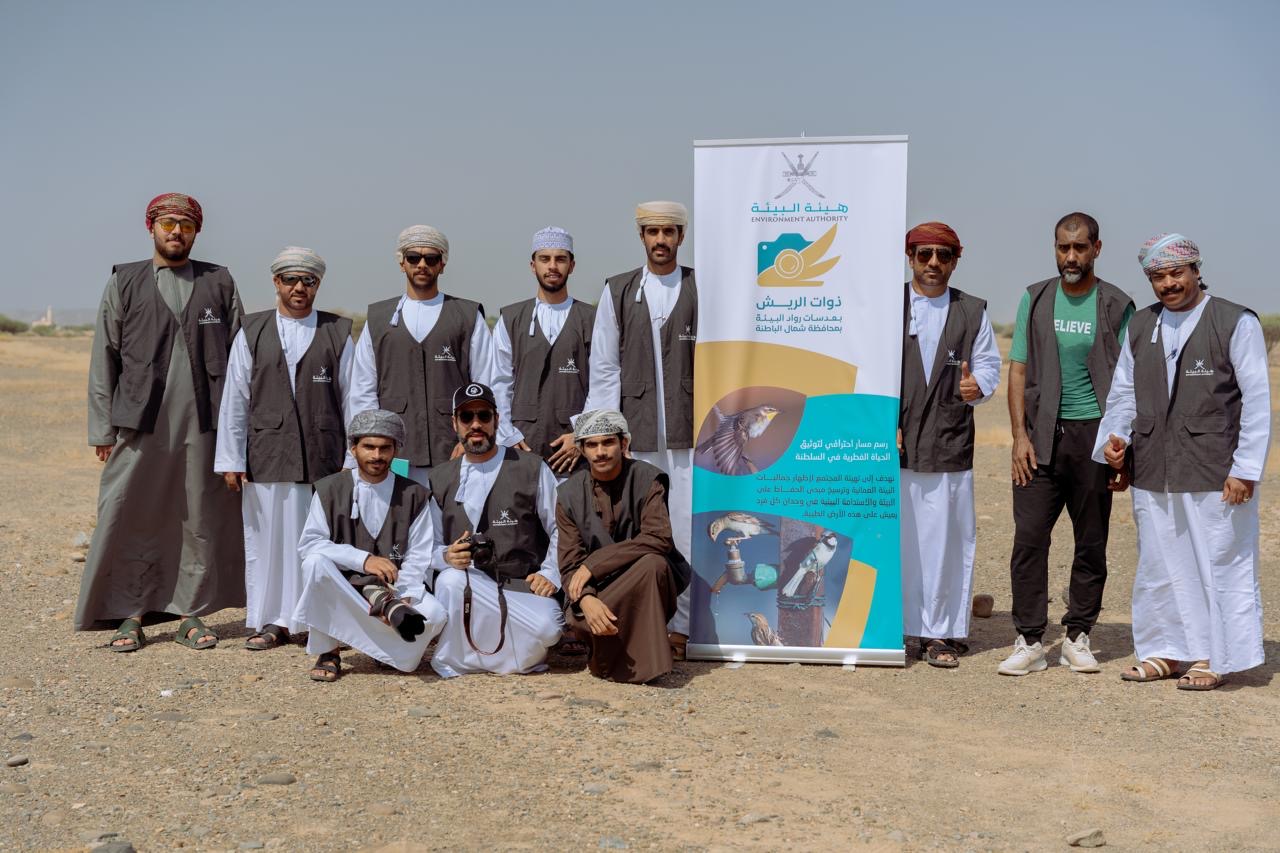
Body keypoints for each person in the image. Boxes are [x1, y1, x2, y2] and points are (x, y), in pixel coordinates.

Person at [1095, 234, 1269, 690]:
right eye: (1158, 276)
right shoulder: (1141, 325)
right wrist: (1115, 443)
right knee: (1160, 564)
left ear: (1195, 270)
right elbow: (1123, 394)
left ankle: (1214, 655)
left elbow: (1256, 399)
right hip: (1155, 467)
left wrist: (1245, 469)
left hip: (1216, 470)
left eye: (1176, 273)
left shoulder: (1234, 321)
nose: (1168, 283)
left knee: (1218, 562)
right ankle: (1165, 650)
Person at [76, 192, 244, 652]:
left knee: (198, 516)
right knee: (130, 512)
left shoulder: (219, 282)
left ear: (197, 232)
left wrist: (238, 436)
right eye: (168, 223)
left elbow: (241, 361)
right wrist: (102, 428)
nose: (176, 232)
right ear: (151, 227)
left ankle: (190, 613)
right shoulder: (124, 281)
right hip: (139, 422)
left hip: (204, 425)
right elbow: (104, 357)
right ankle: (129, 614)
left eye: (185, 225)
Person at [1000, 212, 1135, 676]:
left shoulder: (1117, 304)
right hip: (1040, 436)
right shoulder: (1035, 298)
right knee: (1029, 538)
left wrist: (1122, 444)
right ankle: (1029, 640)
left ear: (1097, 248)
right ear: (1055, 249)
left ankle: (1077, 636)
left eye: (1079, 247)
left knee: (1091, 541)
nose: (1071, 257)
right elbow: (1018, 369)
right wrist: (1019, 436)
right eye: (1063, 247)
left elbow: (1128, 380)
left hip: (1094, 438)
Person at [215, 246, 354, 650]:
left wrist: (352, 458)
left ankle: (315, 620)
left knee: (317, 540)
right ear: (276, 282)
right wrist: (231, 458)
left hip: (323, 456)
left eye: (308, 281)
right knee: (268, 543)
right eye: (290, 279)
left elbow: (354, 398)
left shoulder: (338, 332)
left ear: (317, 285)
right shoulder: (252, 330)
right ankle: (272, 621)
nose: (299, 288)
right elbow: (236, 398)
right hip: (267, 453)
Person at [581, 201, 697, 657]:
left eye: (669, 231)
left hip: (691, 434)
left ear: (681, 236)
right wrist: (605, 434)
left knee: (685, 529)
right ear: (642, 236)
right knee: (638, 534)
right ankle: (639, 623)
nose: (661, 240)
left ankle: (682, 628)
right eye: (652, 232)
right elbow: (604, 367)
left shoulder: (699, 286)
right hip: (637, 435)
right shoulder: (618, 290)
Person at [897, 223, 1002, 668]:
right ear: (910, 257)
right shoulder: (889, 305)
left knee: (945, 541)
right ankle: (899, 628)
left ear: (956, 260)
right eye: (924, 254)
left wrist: (978, 386)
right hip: (896, 444)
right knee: (900, 539)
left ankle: (939, 633)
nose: (933, 264)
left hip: (948, 439)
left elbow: (990, 365)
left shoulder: (971, 310)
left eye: (943, 255)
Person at [348, 225, 516, 486]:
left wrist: (471, 437)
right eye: (414, 257)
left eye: (431, 258)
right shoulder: (378, 319)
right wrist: (374, 445)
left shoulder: (467, 315)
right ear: (402, 263)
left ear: (442, 264)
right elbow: (362, 390)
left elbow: (487, 385)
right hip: (396, 454)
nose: (422, 264)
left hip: (454, 451)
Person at [294, 409, 446, 681]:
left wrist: (401, 599)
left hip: (392, 589)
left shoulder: (415, 494)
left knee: (435, 615)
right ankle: (328, 651)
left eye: (385, 448)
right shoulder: (331, 489)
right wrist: (363, 560)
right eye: (369, 447)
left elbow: (419, 554)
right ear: (353, 448)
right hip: (345, 587)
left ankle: (382, 650)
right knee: (314, 564)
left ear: (396, 449)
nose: (377, 455)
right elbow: (310, 543)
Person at [428, 383, 562, 676]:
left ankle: (503, 655)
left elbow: (560, 527)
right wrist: (446, 556)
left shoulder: (532, 467)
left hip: (521, 585)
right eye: (467, 417)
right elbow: (427, 546)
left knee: (549, 628)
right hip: (470, 585)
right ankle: (458, 660)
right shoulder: (439, 478)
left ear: (497, 420)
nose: (476, 424)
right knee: (449, 580)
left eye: (484, 416)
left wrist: (550, 573)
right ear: (455, 423)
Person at [557, 409, 692, 683]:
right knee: (585, 606)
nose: (600, 452)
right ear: (582, 450)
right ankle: (607, 658)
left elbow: (658, 537)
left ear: (624, 443)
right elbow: (570, 564)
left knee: (654, 563)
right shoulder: (568, 494)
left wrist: (593, 565)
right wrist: (586, 599)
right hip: (598, 592)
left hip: (641, 584)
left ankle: (648, 664)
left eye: (608, 442)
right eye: (592, 445)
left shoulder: (648, 479)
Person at [494, 226, 595, 477]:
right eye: (544, 259)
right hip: (522, 445)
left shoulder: (593, 319)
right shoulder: (511, 319)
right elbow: (498, 383)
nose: (552, 266)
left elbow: (602, 383)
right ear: (533, 265)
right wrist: (507, 435)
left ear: (572, 265)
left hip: (574, 451)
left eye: (560, 259)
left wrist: (581, 433)